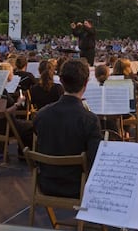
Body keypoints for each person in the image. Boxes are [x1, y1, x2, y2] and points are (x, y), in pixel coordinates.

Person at [33, 59, 102, 198]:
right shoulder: (89, 119)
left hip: (45, 184)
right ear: (86, 83)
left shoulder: (41, 114)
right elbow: (95, 160)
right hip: (77, 187)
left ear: (61, 81)